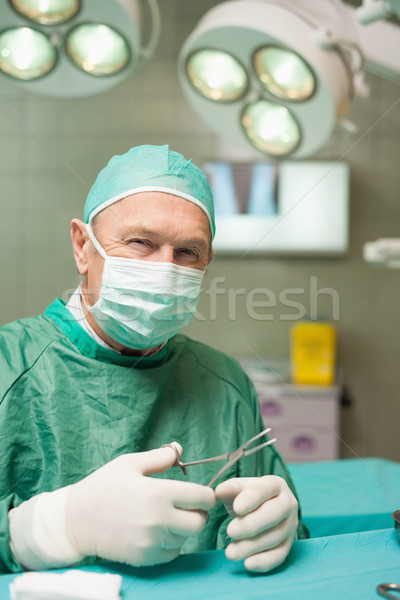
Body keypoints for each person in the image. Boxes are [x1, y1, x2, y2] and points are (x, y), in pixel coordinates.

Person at [0, 145, 308, 575]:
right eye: (141, 242)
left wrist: (283, 528)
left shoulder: (224, 382)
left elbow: (271, 540)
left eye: (187, 253)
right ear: (82, 246)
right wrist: (50, 530)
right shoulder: (9, 368)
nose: (165, 272)